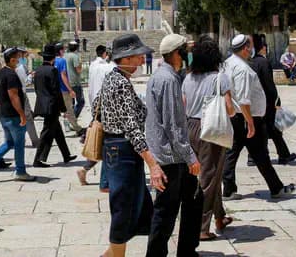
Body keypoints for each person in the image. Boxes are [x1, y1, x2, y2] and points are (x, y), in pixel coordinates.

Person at [95, 34, 162, 257]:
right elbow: (131, 128)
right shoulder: (121, 84)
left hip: (115, 149)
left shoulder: (113, 78)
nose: (142, 60)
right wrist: (152, 164)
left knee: (134, 207)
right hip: (122, 150)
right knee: (123, 209)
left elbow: (97, 106)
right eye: (138, 56)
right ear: (126, 58)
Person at [144, 34, 201, 257]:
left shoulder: (162, 76)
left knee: (194, 198)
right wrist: (191, 157)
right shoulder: (168, 80)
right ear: (177, 53)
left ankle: (187, 251)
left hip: (169, 154)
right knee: (165, 212)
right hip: (172, 157)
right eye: (185, 50)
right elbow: (173, 125)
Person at [222, 35, 296, 200]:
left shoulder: (227, 63)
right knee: (260, 155)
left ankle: (228, 189)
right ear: (245, 48)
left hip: (236, 117)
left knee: (233, 153)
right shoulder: (242, 69)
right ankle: (276, 188)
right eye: (249, 47)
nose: (251, 50)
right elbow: (243, 99)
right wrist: (250, 122)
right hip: (248, 118)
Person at [183, 36, 235, 241]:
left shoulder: (188, 78)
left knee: (212, 175)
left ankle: (220, 217)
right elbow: (229, 109)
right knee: (209, 178)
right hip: (210, 129)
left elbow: (183, 104)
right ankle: (201, 228)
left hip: (190, 127)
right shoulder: (220, 78)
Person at [0, 48, 35, 182]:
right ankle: (20, 171)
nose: (20, 60)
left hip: (4, 114)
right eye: (18, 57)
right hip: (13, 115)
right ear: (12, 59)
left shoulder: (1, 73)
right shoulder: (11, 75)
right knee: (19, 143)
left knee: (10, 142)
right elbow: (13, 96)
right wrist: (22, 114)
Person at [250, 35, 296, 165]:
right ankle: (282, 155)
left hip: (254, 101)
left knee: (263, 129)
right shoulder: (263, 62)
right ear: (263, 48)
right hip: (267, 103)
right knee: (273, 129)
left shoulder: (251, 62)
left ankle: (255, 156)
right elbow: (269, 84)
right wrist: (276, 100)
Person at [77, 45, 115, 187]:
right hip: (106, 110)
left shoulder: (94, 66)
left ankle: (86, 169)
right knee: (108, 143)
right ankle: (104, 181)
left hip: (96, 107)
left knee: (103, 143)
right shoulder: (109, 68)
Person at [33, 44, 77, 167]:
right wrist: (63, 108)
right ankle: (37, 160)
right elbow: (56, 91)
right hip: (51, 106)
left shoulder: (38, 70)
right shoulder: (53, 70)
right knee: (46, 133)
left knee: (57, 131)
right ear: (53, 58)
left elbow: (37, 89)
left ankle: (66, 155)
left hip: (42, 104)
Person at [15, 48, 40, 147]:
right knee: (28, 118)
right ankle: (35, 141)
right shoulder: (21, 67)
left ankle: (18, 140)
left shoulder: (10, 67)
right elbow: (26, 82)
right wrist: (31, 76)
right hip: (22, 94)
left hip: (14, 95)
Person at [55, 43, 83, 133]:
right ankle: (76, 127)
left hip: (57, 88)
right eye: (63, 49)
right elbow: (64, 75)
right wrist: (70, 90)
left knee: (66, 107)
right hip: (66, 87)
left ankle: (67, 124)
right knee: (72, 107)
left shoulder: (55, 60)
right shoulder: (63, 60)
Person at [66, 41, 85, 119]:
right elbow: (78, 70)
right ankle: (73, 118)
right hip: (75, 83)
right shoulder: (75, 56)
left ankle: (69, 118)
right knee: (81, 102)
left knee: (71, 103)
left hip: (67, 82)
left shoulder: (65, 56)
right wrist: (81, 63)